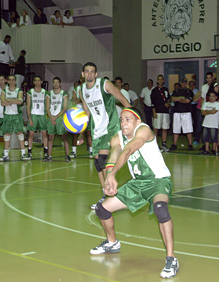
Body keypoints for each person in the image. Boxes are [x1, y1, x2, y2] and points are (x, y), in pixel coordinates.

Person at [89, 107, 178, 279]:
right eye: (122, 119)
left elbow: (128, 150)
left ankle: (171, 259)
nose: (123, 123)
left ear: (137, 121)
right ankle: (112, 243)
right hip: (137, 184)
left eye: (128, 119)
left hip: (158, 181)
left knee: (161, 209)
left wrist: (114, 174)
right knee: (102, 209)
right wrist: (109, 177)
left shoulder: (143, 130)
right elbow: (114, 154)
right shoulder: (117, 137)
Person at [79, 62, 131, 209]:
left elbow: (122, 99)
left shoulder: (104, 84)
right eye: (86, 71)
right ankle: (105, 196)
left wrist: (134, 119)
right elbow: (86, 113)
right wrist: (82, 133)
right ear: (82, 74)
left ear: (96, 74)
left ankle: (111, 195)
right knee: (97, 164)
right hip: (96, 131)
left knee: (102, 161)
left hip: (111, 127)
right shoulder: (81, 90)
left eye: (92, 71)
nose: (89, 74)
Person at [0, 75, 29, 161]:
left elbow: (20, 101)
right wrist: (14, 101)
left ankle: (23, 154)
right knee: (7, 135)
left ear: (15, 81)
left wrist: (8, 100)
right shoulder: (4, 91)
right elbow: (3, 103)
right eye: (10, 80)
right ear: (7, 81)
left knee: (20, 133)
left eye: (13, 80)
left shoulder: (19, 90)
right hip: (7, 115)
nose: (11, 82)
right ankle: (5, 155)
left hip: (16, 115)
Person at [46, 77, 70, 161]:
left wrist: (55, 117)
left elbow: (64, 108)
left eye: (57, 82)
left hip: (60, 118)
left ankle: (67, 155)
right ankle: (49, 156)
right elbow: (47, 107)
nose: (55, 84)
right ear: (52, 84)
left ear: (60, 84)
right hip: (51, 117)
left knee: (64, 137)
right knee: (50, 137)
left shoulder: (64, 94)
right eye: (54, 82)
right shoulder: (49, 94)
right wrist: (51, 117)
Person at [26, 76, 49, 160]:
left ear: (41, 82)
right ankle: (29, 152)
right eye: (36, 80)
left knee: (44, 134)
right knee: (31, 134)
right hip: (33, 115)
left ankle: (46, 152)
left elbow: (47, 106)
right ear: (34, 82)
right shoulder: (30, 92)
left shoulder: (45, 92)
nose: (37, 82)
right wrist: (29, 118)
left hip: (42, 115)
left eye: (39, 80)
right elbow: (28, 106)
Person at [170, 78, 194, 151]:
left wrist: (179, 100)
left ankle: (190, 145)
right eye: (183, 82)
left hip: (186, 112)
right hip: (177, 112)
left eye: (185, 83)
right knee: (176, 129)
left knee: (188, 129)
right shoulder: (176, 91)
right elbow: (173, 98)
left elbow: (187, 101)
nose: (184, 84)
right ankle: (174, 144)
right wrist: (181, 98)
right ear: (181, 83)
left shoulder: (189, 91)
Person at [151, 75, 170, 152]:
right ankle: (155, 145)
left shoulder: (166, 89)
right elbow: (152, 102)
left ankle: (164, 144)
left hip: (165, 112)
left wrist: (168, 103)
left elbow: (169, 99)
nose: (160, 81)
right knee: (156, 128)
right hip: (157, 112)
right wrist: (154, 112)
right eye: (159, 79)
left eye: (161, 79)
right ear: (157, 81)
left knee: (164, 128)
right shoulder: (154, 90)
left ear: (163, 81)